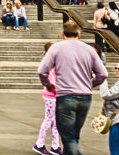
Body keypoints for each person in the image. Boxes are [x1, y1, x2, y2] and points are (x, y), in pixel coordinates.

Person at [38, 21, 107, 155]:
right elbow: (103, 74)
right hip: (85, 97)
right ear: (79, 34)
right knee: (74, 136)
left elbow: (42, 71)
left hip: (65, 96)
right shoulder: (88, 49)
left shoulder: (56, 48)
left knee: (68, 138)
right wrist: (90, 84)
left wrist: (48, 84)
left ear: (63, 33)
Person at [35, 41, 62, 155]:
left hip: (54, 95)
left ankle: (55, 145)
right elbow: (51, 80)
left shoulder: (52, 62)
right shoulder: (49, 63)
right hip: (52, 95)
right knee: (49, 119)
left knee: (55, 121)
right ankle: (39, 144)